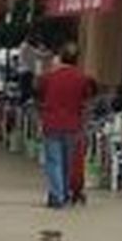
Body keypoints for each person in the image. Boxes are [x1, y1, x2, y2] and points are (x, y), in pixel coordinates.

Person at [35, 42, 95, 210]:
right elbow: (87, 100)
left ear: (61, 57)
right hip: (73, 125)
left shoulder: (48, 77)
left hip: (52, 123)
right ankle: (65, 192)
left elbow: (39, 95)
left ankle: (57, 195)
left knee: (53, 161)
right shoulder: (83, 79)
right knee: (68, 162)